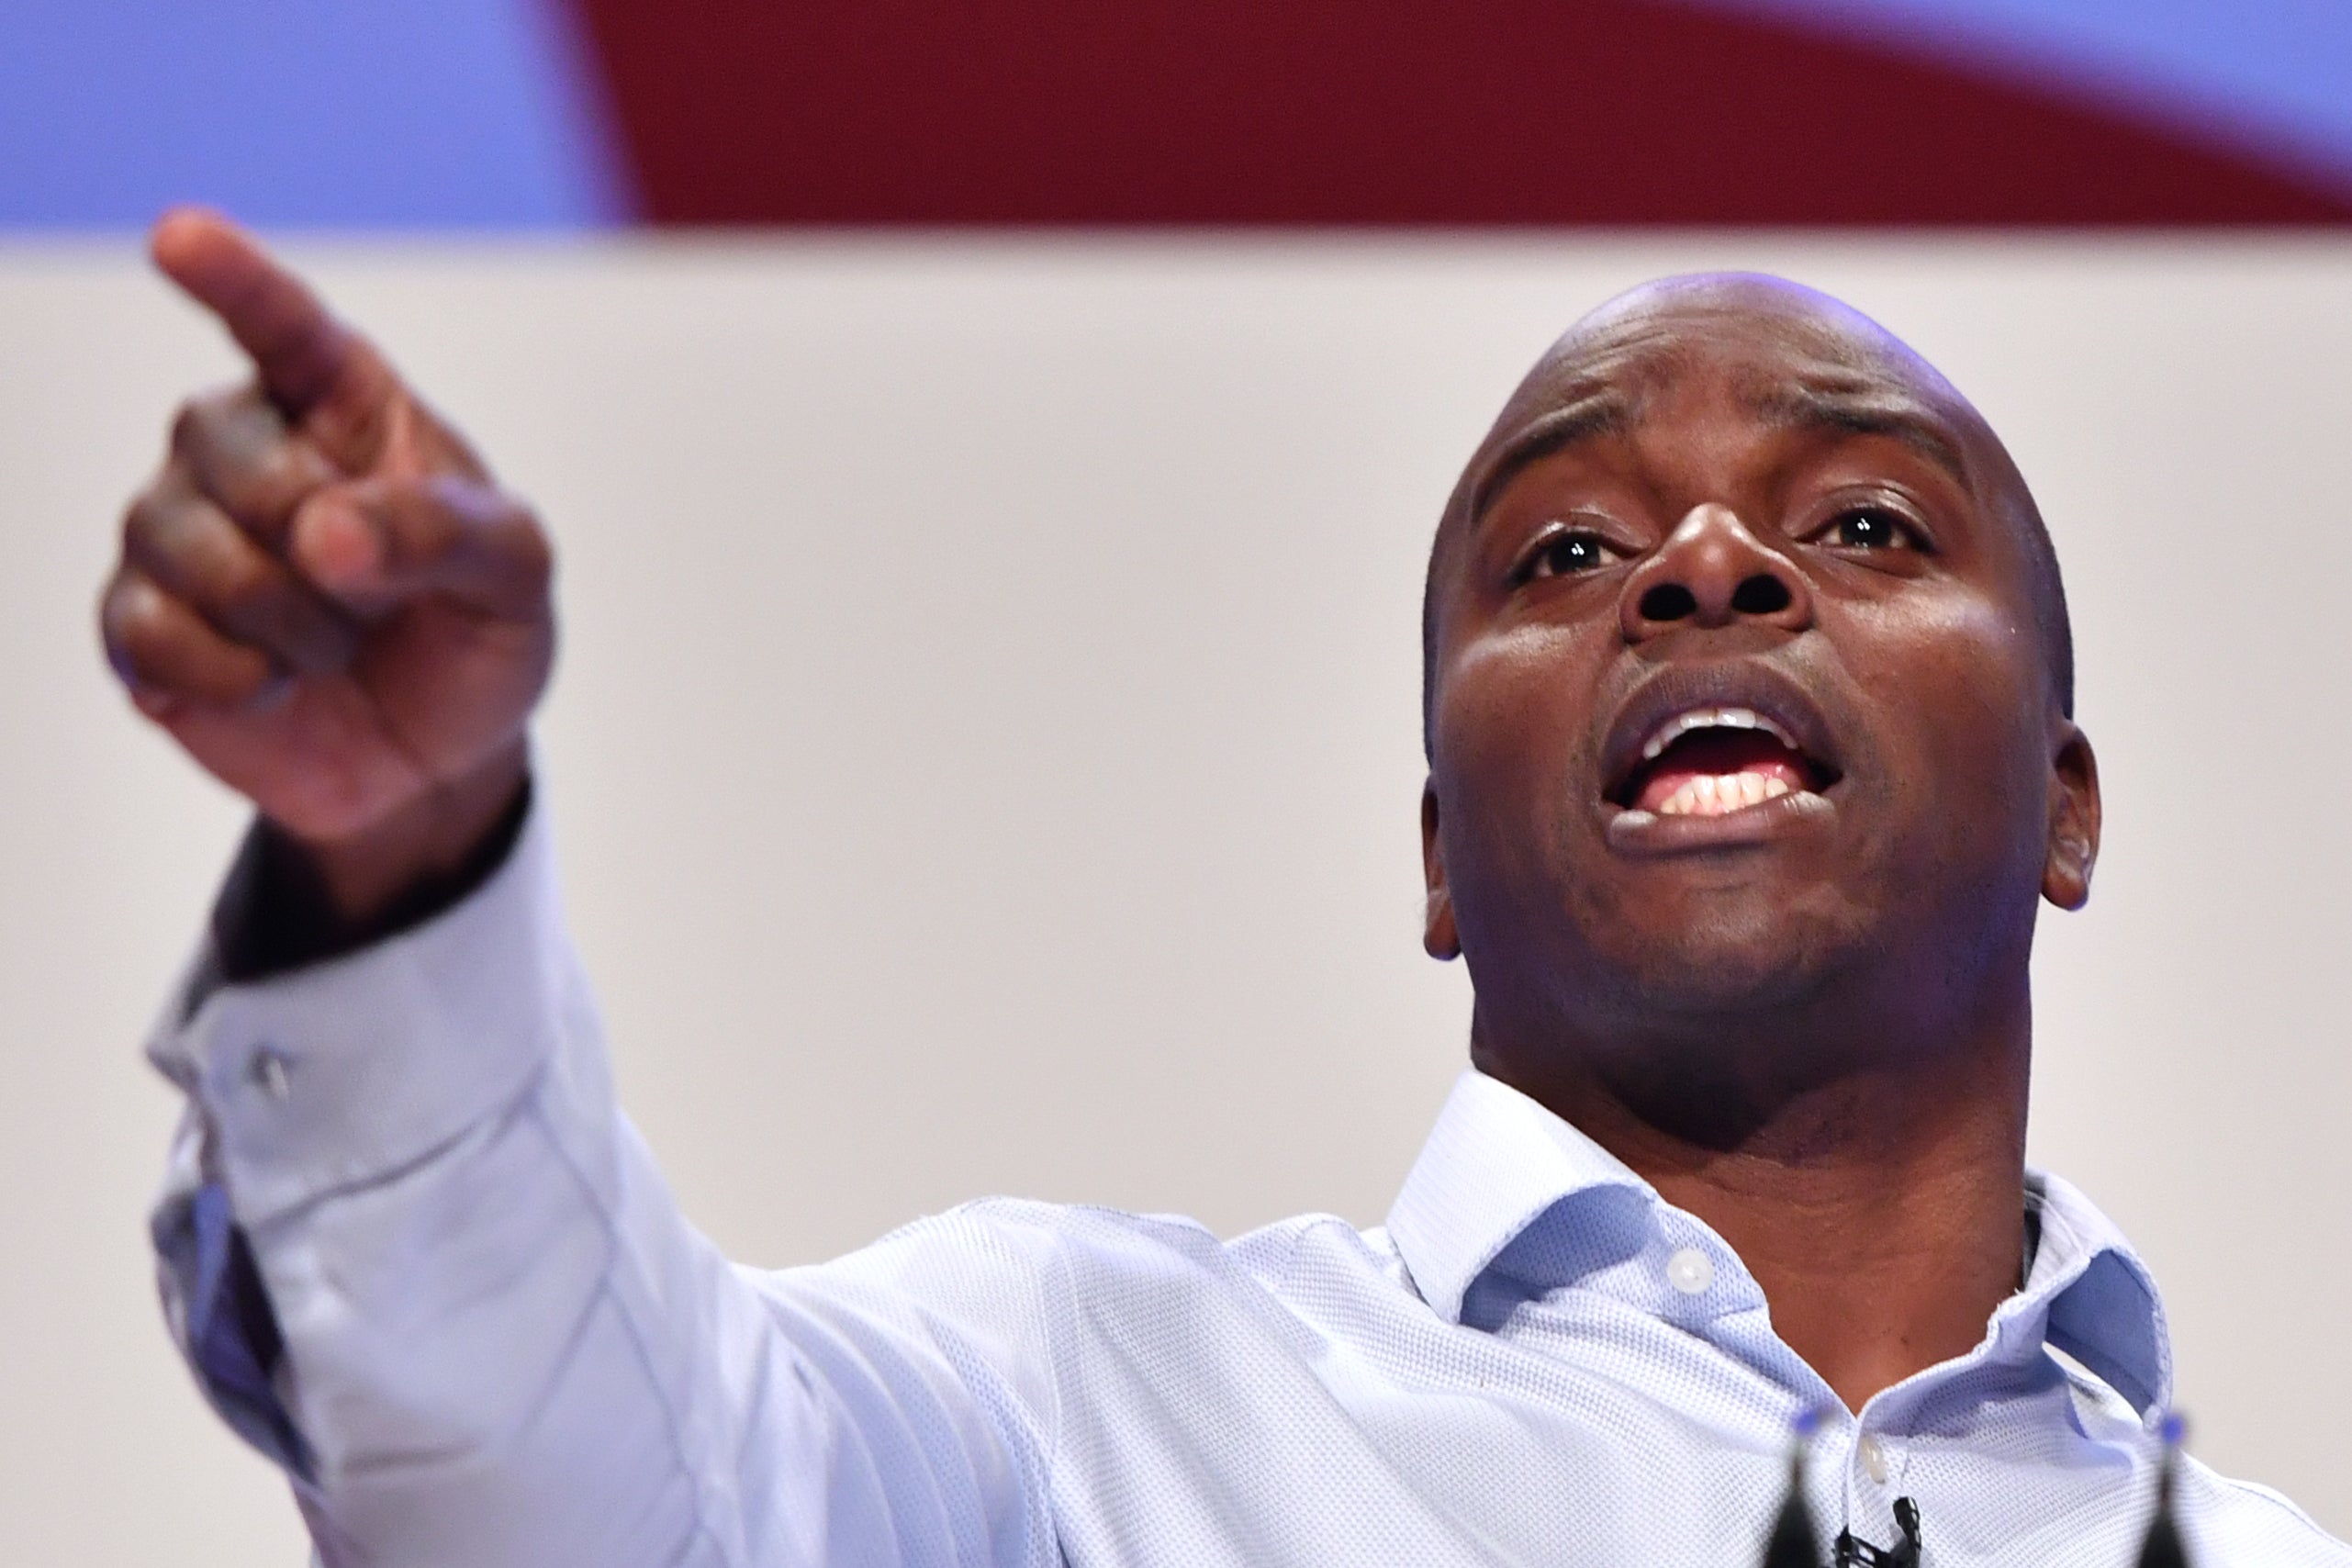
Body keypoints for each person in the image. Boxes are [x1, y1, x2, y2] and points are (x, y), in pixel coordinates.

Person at [101, 207, 2345, 1568]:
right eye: (1567, 554)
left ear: (2067, 804)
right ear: (1445, 853)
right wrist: (400, 862)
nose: (1705, 563)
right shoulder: (1077, 1402)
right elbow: (568, 1491)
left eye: (1866, 522)